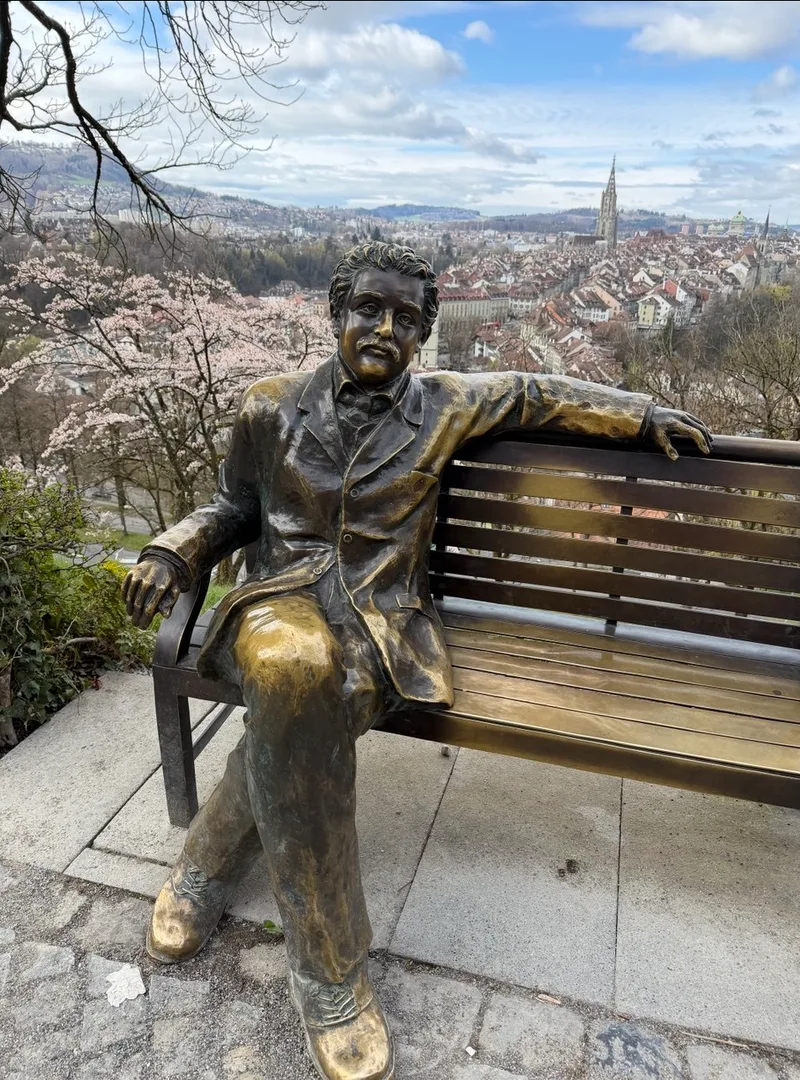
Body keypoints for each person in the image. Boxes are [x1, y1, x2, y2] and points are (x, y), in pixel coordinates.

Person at [122, 242, 711, 1080]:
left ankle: (203, 867)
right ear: (336, 315)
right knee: (293, 667)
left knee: (302, 707)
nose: (385, 329)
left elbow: (539, 393)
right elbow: (230, 507)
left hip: (381, 623)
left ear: (424, 335)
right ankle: (331, 971)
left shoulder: (443, 407)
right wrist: (174, 550)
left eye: (406, 319)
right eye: (370, 310)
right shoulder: (268, 406)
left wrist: (643, 412)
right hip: (278, 606)